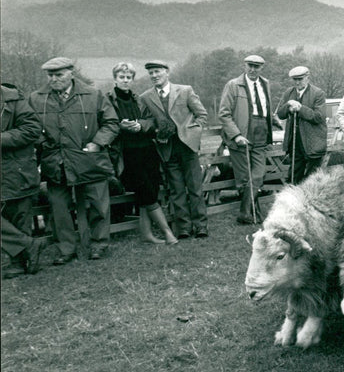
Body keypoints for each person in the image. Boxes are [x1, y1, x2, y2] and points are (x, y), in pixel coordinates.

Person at [28, 57, 120, 264]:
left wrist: (98, 143)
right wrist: (43, 142)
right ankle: (66, 249)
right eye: (50, 75)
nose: (54, 79)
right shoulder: (36, 98)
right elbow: (30, 127)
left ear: (71, 73)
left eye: (59, 75)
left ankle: (99, 244)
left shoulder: (93, 95)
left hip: (90, 159)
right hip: (56, 162)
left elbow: (111, 123)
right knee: (59, 207)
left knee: (99, 204)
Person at [107, 62, 178, 244]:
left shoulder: (139, 99)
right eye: (121, 77)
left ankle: (146, 234)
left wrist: (141, 125)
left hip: (147, 149)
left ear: (132, 79)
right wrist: (120, 126)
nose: (125, 80)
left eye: (128, 77)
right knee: (145, 190)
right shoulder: (108, 100)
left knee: (152, 190)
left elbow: (152, 121)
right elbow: (106, 124)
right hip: (127, 153)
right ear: (115, 79)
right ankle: (167, 232)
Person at [139, 60, 209, 239]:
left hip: (188, 147)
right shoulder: (146, 97)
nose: (154, 76)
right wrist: (154, 129)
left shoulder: (185, 91)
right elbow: (147, 121)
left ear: (167, 72)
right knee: (176, 190)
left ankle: (200, 226)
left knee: (195, 188)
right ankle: (184, 227)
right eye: (151, 73)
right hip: (166, 148)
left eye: (157, 72)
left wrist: (193, 133)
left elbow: (202, 114)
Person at [218, 54, 274, 224]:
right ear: (244, 66)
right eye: (250, 65)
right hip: (241, 136)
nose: (252, 69)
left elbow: (263, 108)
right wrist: (236, 135)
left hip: (261, 134)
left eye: (256, 66)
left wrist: (272, 119)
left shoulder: (266, 84)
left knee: (258, 174)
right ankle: (252, 212)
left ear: (261, 68)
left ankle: (244, 211)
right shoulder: (233, 85)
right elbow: (224, 113)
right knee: (244, 178)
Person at [1, 83, 48, 278]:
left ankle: (19, 264)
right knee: (13, 217)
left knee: (19, 217)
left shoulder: (15, 101)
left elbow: (32, 130)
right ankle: (30, 245)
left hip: (18, 171)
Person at [276, 66, 328, 183]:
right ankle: (294, 198)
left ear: (307, 78)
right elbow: (280, 114)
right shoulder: (289, 93)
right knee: (294, 175)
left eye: (300, 79)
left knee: (313, 177)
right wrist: (288, 106)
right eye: (295, 79)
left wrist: (300, 108)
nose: (297, 82)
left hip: (313, 142)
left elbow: (318, 117)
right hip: (295, 142)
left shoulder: (318, 93)